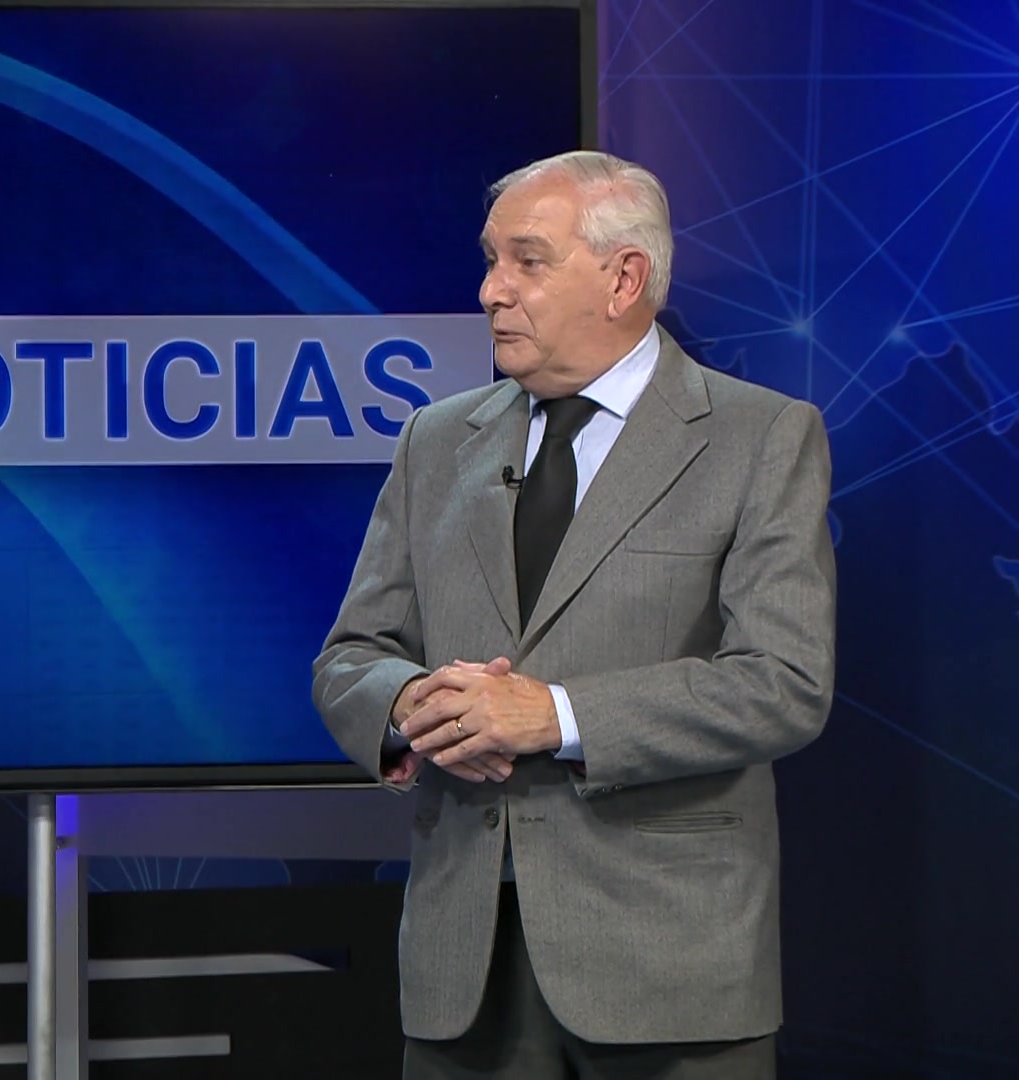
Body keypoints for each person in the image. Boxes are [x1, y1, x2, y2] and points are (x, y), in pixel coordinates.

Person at [312, 149, 836, 1079]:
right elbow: (354, 654)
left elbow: (782, 684)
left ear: (623, 279)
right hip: (464, 970)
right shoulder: (437, 439)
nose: (491, 290)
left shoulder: (759, 438)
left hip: (668, 969)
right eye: (490, 260)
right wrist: (414, 706)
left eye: (527, 260)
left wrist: (552, 715)